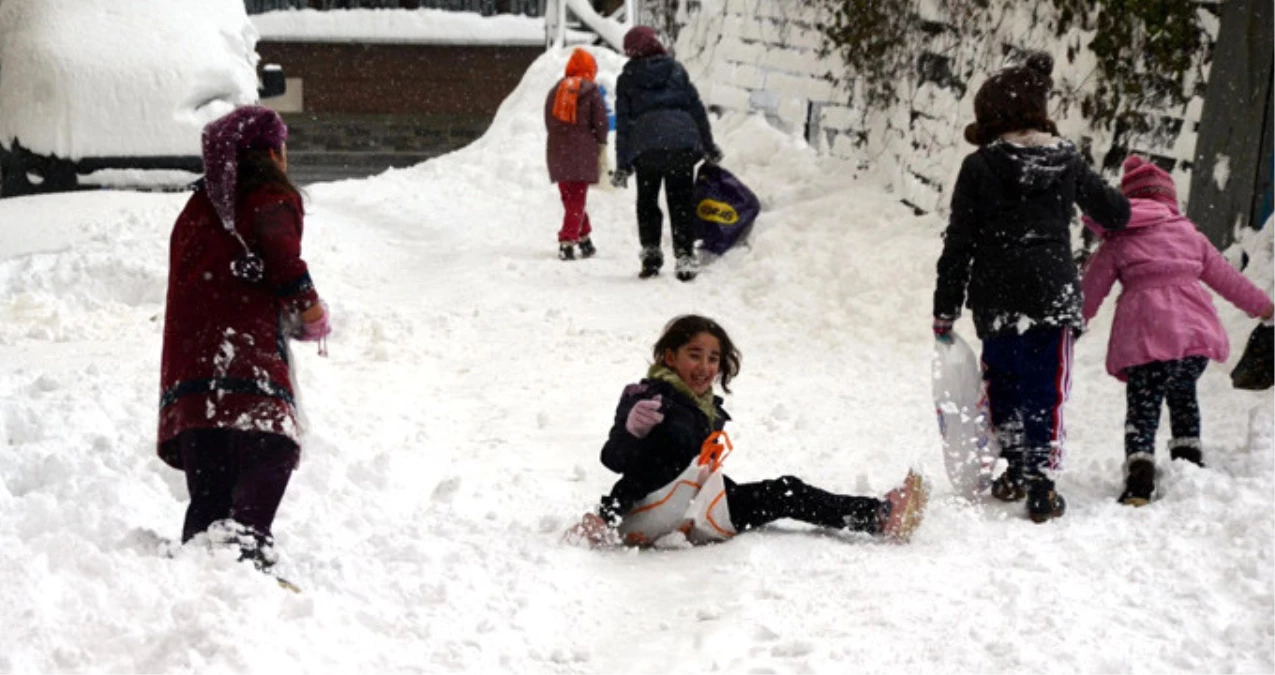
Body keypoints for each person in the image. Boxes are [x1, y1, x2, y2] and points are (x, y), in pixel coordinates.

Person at [932, 51, 1131, 523]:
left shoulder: (979, 167)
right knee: (1046, 388)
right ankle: (1042, 481)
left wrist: (946, 306)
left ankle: (1013, 469)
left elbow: (959, 241)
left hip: (997, 294)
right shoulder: (1067, 161)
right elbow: (1115, 213)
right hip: (1051, 292)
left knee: (1003, 381)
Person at [566, 315, 928, 547]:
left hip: (687, 504)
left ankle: (879, 516)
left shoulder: (705, 408)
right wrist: (631, 433)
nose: (705, 366)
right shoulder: (647, 397)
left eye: (713, 359)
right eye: (695, 354)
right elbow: (615, 460)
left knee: (785, 491)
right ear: (669, 357)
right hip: (645, 511)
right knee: (781, 491)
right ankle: (880, 517)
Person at [157, 105, 330, 573]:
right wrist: (311, 309)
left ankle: (203, 563)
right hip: (243, 353)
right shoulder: (269, 196)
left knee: (210, 472)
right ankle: (246, 545)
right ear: (270, 151)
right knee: (272, 442)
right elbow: (281, 257)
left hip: (191, 364)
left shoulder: (197, 208)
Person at [1082, 155, 1275, 505]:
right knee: (1184, 393)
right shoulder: (1190, 235)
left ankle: (1140, 474)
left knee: (1144, 404)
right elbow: (1228, 279)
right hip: (1193, 337)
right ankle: (1188, 457)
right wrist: (1264, 308)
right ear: (1169, 200)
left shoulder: (1119, 239)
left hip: (1145, 338)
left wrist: (1072, 322)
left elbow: (1092, 287)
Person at [611, 26, 722, 282]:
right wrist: (708, 145)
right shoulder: (676, 70)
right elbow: (697, 110)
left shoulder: (627, 78)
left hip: (646, 148)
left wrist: (623, 164)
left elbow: (624, 124)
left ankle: (651, 253)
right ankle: (684, 256)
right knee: (681, 201)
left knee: (647, 200)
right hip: (681, 146)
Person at [545, 47, 609, 261]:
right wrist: (600, 141)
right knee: (577, 198)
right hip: (581, 151)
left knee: (569, 196)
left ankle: (584, 238)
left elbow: (548, 119)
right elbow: (601, 122)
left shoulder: (556, 90)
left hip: (557, 149)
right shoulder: (591, 90)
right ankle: (567, 241)